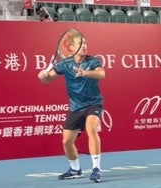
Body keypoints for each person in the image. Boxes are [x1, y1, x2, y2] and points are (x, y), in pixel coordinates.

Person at [37, 31, 105, 183]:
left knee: (91, 129)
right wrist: (43, 76)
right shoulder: (65, 64)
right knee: (66, 141)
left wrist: (85, 73)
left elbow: (101, 74)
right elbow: (48, 80)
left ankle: (96, 169)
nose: (84, 47)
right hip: (76, 106)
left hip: (93, 102)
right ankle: (75, 169)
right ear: (71, 47)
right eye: (80, 44)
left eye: (85, 44)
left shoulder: (93, 61)